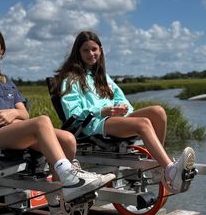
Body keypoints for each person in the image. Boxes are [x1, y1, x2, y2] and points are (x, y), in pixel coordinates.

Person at [0, 25, 113, 211]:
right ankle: (69, 177)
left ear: (1, 52)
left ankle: (57, 195)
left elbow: (23, 113)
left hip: (11, 133)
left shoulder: (3, 80)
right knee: (42, 121)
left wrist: (11, 113)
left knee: (68, 140)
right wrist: (16, 117)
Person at [53, 30, 195, 193]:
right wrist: (102, 111)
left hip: (113, 120)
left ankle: (155, 164)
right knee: (143, 123)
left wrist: (123, 108)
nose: (91, 54)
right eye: (85, 50)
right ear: (78, 52)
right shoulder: (72, 79)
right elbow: (73, 112)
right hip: (94, 124)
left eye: (94, 49)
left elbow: (121, 98)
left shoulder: (102, 77)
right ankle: (170, 170)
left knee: (158, 112)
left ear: (101, 50)